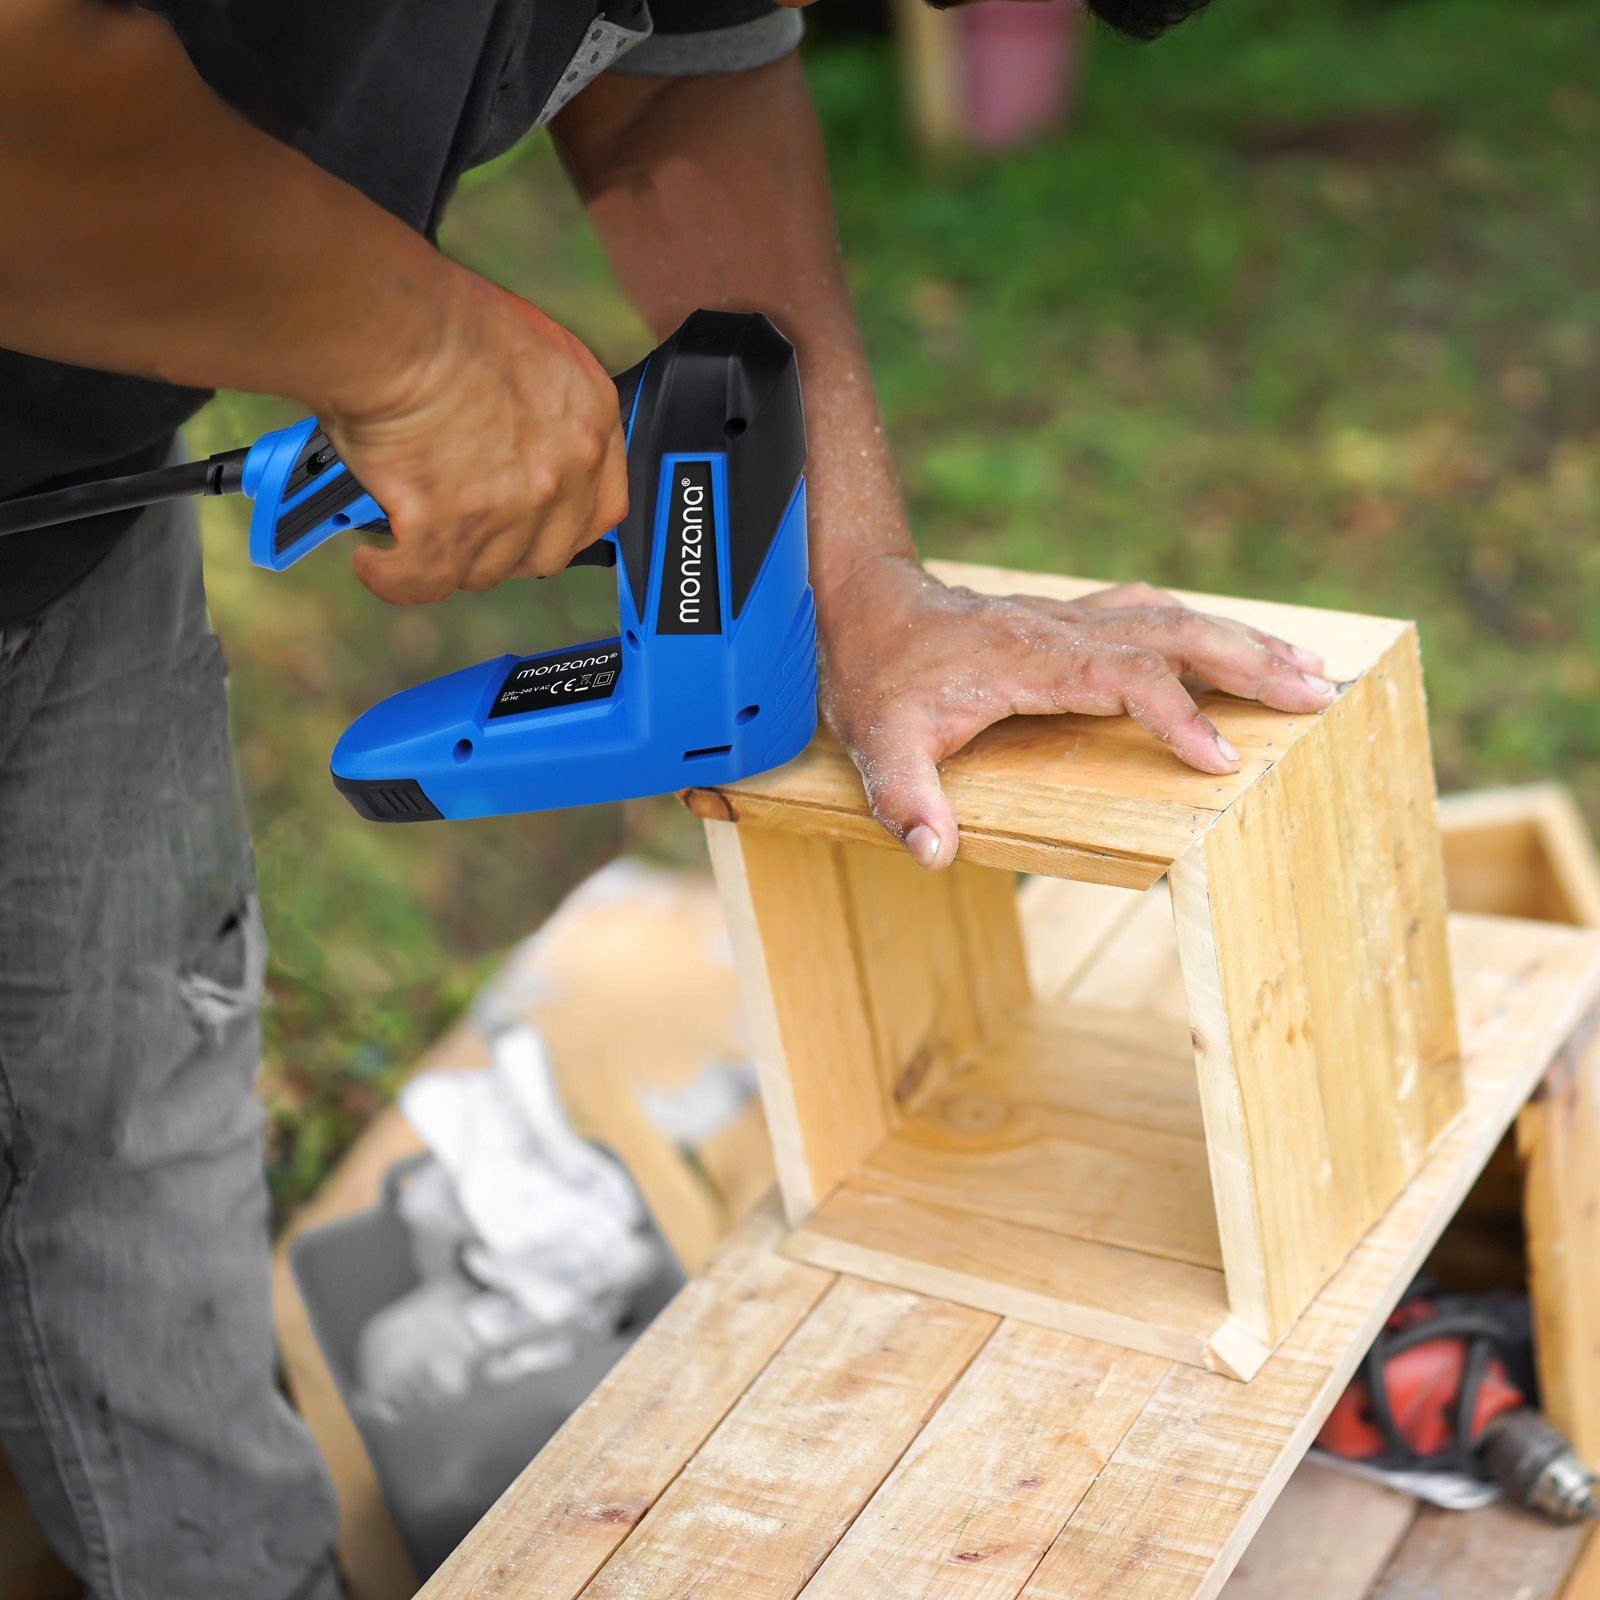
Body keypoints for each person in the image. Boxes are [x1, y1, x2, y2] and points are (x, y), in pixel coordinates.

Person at [0, 1, 1335, 1594]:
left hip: (54, 499)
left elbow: (668, 82)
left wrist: (854, 584)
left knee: (125, 1131)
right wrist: (417, 350)